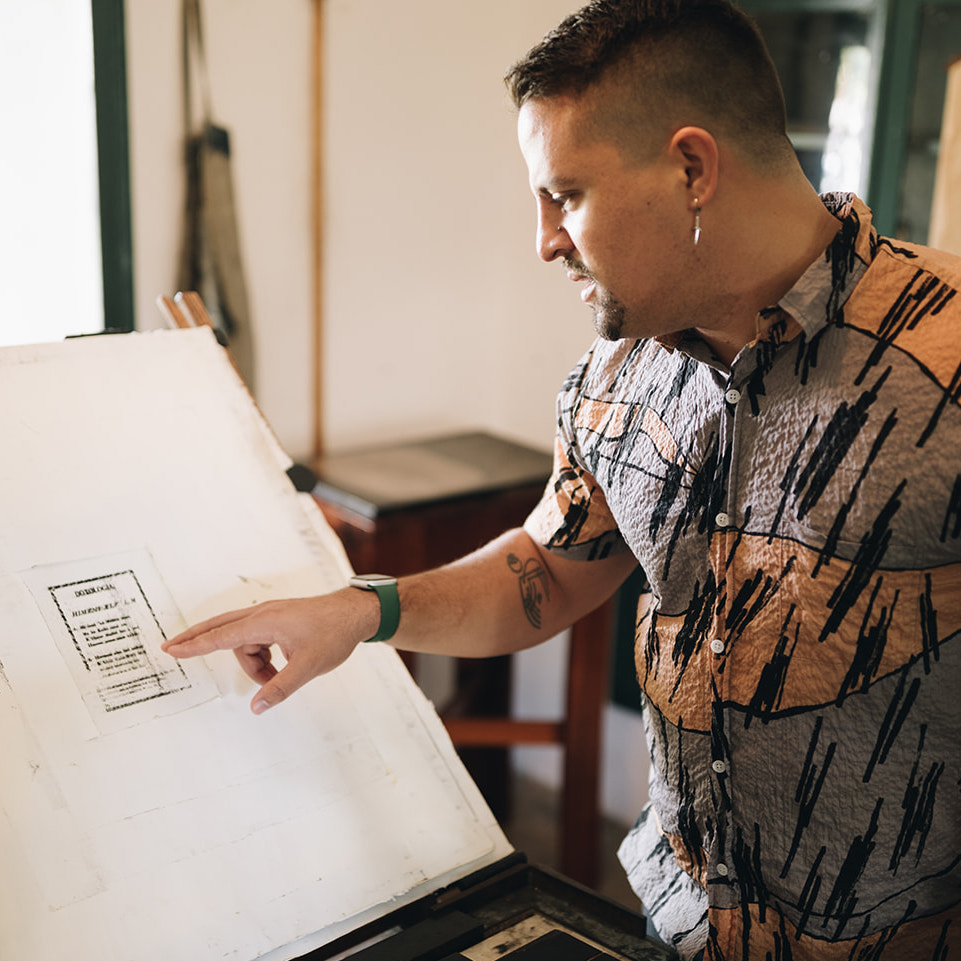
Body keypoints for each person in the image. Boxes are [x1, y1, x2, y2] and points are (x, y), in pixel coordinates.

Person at [163, 0, 961, 957]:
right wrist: (363, 610)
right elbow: (543, 568)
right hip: (678, 925)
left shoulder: (942, 365)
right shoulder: (616, 376)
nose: (543, 241)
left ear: (691, 168)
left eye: (565, 196)